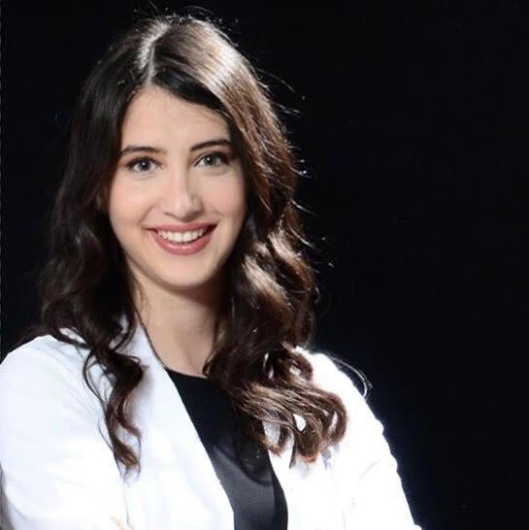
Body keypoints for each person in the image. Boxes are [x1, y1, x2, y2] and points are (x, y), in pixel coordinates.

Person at [0, 12, 421, 530]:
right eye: (143, 164)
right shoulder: (44, 386)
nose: (181, 202)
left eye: (211, 159)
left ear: (252, 176)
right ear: (100, 188)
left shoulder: (326, 398)